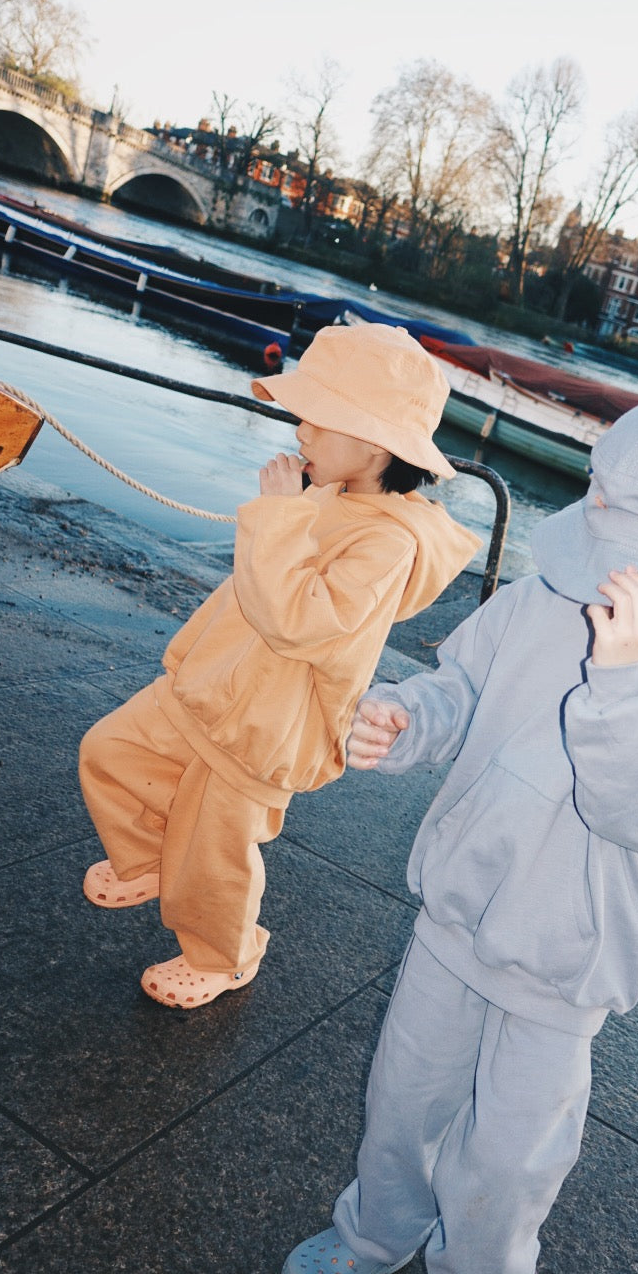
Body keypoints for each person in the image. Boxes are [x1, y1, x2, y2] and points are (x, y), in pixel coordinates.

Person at [279, 393, 638, 1274]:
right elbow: (463, 687)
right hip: (456, 917)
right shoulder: (533, 601)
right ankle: (377, 1231)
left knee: (514, 1153)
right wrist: (408, 719)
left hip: (567, 962)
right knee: (403, 1096)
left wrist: (624, 686)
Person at [78, 323, 481, 1009]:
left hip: (269, 720)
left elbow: (300, 622)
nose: (301, 430)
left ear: (375, 441)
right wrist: (287, 513)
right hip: (212, 684)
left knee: (216, 852)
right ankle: (150, 859)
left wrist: (275, 516)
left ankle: (225, 955)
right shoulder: (329, 494)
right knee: (110, 751)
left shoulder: (390, 543)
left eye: (318, 418)